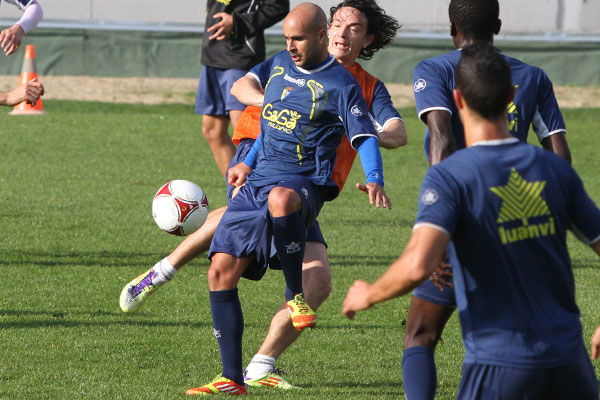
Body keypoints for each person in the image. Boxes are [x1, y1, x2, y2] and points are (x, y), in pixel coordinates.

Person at [121, 0, 404, 390]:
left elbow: (394, 132)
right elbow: (244, 90)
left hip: (304, 179)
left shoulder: (357, 87)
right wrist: (269, 112)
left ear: (367, 39)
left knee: (309, 269)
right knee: (233, 250)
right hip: (259, 157)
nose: (343, 32)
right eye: (338, 22)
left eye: (353, 28)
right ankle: (167, 278)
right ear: (326, 29)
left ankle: (259, 363)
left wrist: (361, 132)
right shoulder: (284, 65)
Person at [343, 42, 600, 400]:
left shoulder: (451, 176)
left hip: (499, 366)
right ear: (511, 95)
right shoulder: (556, 170)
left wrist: (367, 293)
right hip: (571, 364)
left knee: (419, 333)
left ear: (457, 100)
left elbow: (418, 265)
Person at [403, 1, 573, 398]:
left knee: (420, 335)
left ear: (451, 28)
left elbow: (441, 139)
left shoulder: (435, 69)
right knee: (509, 339)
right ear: (497, 24)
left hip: (461, 220)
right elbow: (559, 154)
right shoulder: (532, 76)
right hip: (518, 223)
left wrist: (438, 229)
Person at [197, 0, 289, 177]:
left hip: (240, 55)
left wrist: (237, 21)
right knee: (212, 131)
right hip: (213, 54)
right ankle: (238, 194)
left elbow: (278, 7)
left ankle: (262, 192)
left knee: (245, 132)